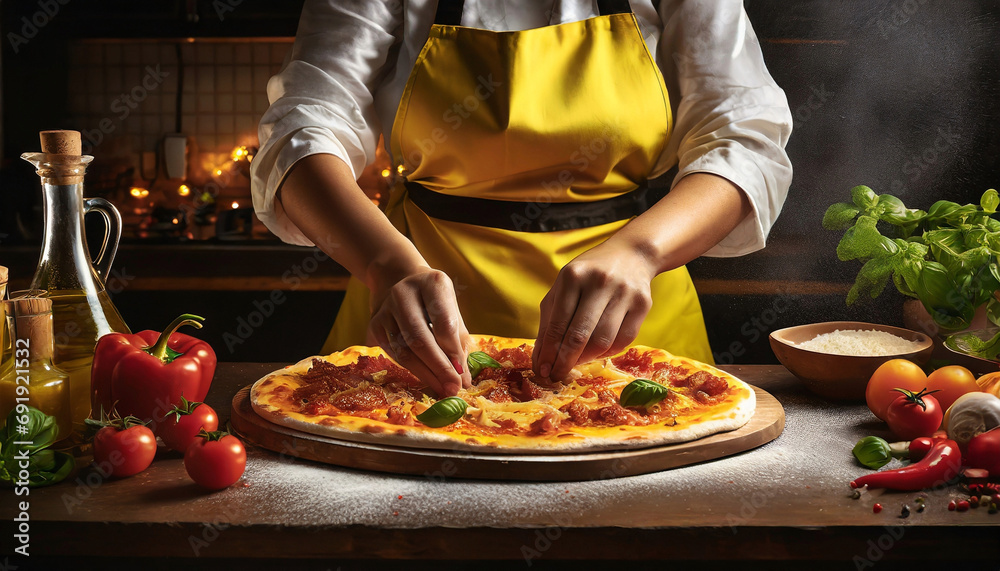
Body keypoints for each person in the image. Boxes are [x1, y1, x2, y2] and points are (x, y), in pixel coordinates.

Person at [251, 0, 792, 398]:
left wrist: (641, 253)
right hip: (416, 323)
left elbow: (744, 139)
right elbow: (303, 127)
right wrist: (383, 263)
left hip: (632, 324)